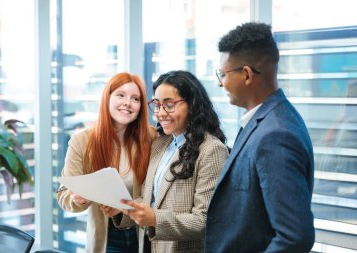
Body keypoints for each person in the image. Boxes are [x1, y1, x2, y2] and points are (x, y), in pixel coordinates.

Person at [205, 22, 315, 253]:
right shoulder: (266, 121)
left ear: (246, 74)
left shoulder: (276, 134)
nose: (219, 82)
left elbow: (294, 237)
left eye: (223, 74)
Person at [119, 70, 229, 253]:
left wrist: (155, 219)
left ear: (192, 105)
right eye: (157, 105)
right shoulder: (160, 143)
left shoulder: (212, 150)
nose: (161, 113)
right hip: (148, 246)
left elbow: (204, 220)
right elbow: (148, 200)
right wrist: (121, 210)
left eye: (169, 105)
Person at [56, 72, 156, 253]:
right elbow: (63, 195)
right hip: (107, 237)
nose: (128, 103)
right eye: (120, 95)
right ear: (107, 99)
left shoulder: (152, 138)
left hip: (145, 234)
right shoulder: (82, 141)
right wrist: (77, 198)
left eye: (135, 99)